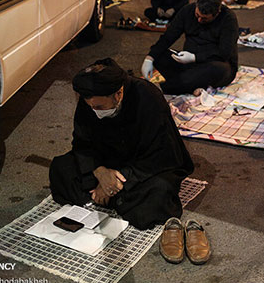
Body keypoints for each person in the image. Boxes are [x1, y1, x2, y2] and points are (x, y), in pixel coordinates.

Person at [49, 58, 194, 230]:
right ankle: (115, 200)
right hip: (105, 160)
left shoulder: (147, 96)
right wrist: (98, 171)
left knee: (158, 192)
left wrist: (116, 181)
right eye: (92, 107)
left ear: (118, 94)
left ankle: (108, 197)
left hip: (143, 167)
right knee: (61, 168)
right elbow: (82, 142)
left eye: (100, 107)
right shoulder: (90, 99)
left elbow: (160, 152)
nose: (95, 112)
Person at [141, 0, 239, 94]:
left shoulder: (228, 18)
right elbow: (169, 36)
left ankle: (164, 88)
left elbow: (224, 52)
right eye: (197, 15)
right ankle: (191, 84)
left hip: (213, 63)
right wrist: (150, 58)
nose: (199, 20)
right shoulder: (188, 10)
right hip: (188, 64)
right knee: (159, 54)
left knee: (218, 69)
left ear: (217, 14)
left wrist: (195, 57)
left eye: (204, 19)